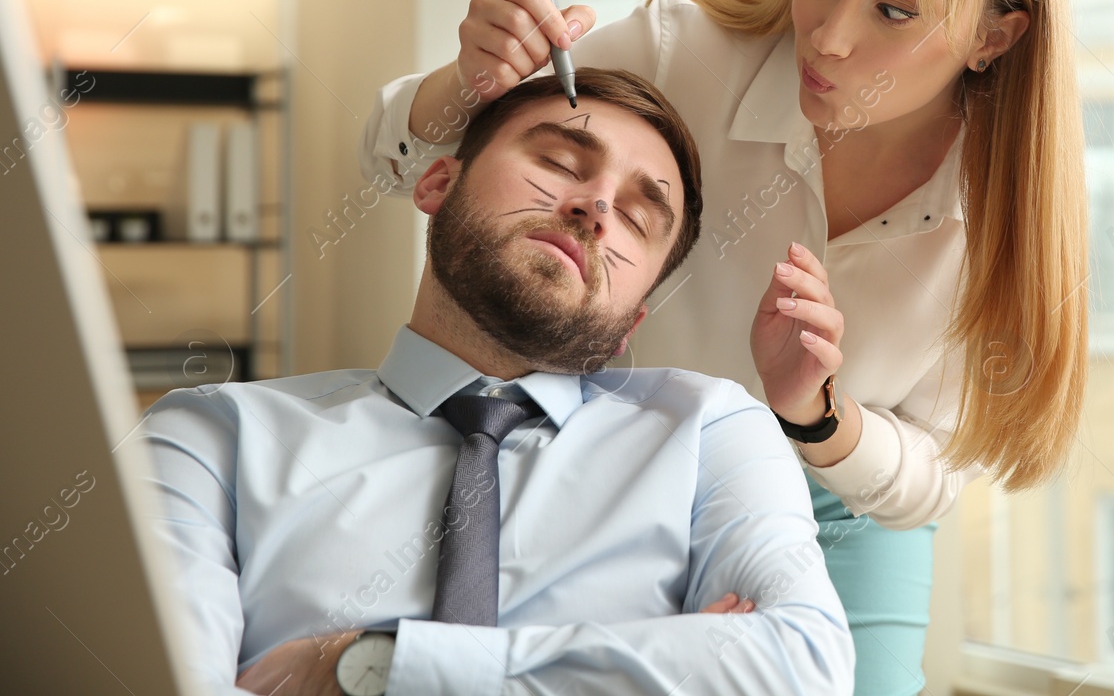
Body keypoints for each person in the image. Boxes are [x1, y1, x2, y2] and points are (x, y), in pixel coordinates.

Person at [358, 0, 1090, 695]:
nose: (826, 37)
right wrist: (468, 77)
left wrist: (817, 413)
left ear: (995, 38)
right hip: (629, 462)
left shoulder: (1003, 214)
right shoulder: (687, 50)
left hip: (843, 504)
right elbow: (398, 159)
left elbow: (931, 475)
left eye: (894, 9)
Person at [141, 68, 854, 696]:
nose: (597, 208)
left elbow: (802, 667)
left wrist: (377, 666)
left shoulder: (709, 429)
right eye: (557, 160)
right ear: (437, 181)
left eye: (638, 217)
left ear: (630, 320)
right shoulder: (210, 435)